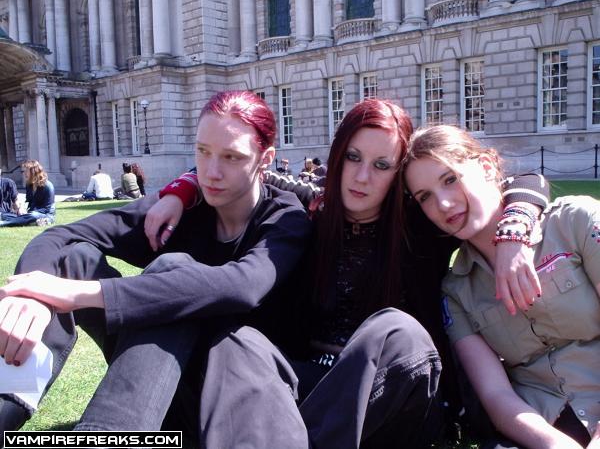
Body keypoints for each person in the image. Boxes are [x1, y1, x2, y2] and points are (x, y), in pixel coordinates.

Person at [148, 99, 549, 448]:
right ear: (338, 155)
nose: (361, 177)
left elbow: (521, 180)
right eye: (353, 157)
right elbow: (246, 167)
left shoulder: (420, 224)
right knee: (237, 342)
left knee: (398, 330)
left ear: (398, 175)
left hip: (393, 393)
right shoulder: (317, 205)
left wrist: (513, 232)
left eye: (381, 165)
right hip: (312, 386)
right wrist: (181, 190)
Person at [0, 91, 311, 438]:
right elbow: (60, 236)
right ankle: (6, 408)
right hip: (156, 386)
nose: (211, 172)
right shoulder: (180, 210)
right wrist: (32, 297)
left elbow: (241, 286)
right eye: (203, 151)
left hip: (235, 401)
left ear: (265, 159)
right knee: (73, 259)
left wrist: (82, 294)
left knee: (175, 270)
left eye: (232, 157)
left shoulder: (285, 218)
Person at [402, 124, 600, 449]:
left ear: (486, 166)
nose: (444, 204)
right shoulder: (456, 291)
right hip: (543, 423)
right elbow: (496, 396)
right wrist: (555, 446)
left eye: (450, 179)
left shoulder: (575, 222)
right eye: (425, 196)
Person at [0, 160, 55, 227]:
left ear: (33, 171)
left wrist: (31, 213)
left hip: (45, 214)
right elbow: (29, 202)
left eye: (26, 171)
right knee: (6, 214)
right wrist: (23, 210)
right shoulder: (29, 185)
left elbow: (47, 208)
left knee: (32, 216)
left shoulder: (48, 186)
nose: (24, 173)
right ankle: (30, 221)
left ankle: (4, 223)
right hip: (30, 214)